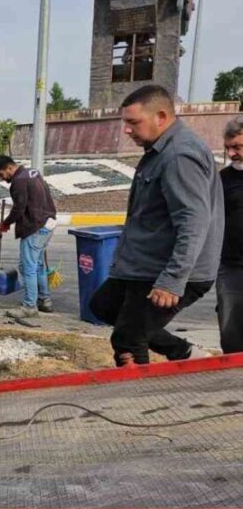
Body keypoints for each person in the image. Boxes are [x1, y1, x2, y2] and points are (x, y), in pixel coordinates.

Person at [89, 84, 224, 367]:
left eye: (133, 122)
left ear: (160, 117)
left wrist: (173, 279)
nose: (126, 130)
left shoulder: (179, 156)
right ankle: (183, 352)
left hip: (166, 271)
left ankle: (140, 403)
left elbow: (194, 221)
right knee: (104, 306)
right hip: (143, 266)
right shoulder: (159, 151)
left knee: (128, 340)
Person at [0, 155, 58, 319]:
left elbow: (19, 209)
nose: (1, 178)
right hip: (48, 222)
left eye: (1, 174)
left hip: (35, 227)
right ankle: (44, 300)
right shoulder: (32, 172)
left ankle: (29, 306)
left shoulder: (18, 181)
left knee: (28, 268)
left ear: (9, 168)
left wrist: (6, 223)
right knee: (38, 265)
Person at [217, 118, 243, 353]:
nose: (232, 153)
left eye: (237, 147)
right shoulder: (221, 180)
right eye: (228, 148)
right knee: (232, 336)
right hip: (232, 268)